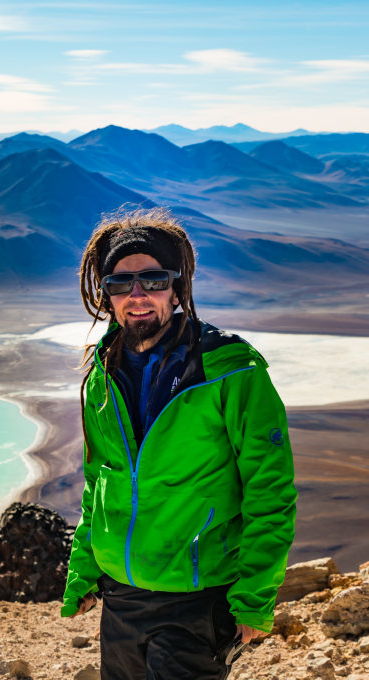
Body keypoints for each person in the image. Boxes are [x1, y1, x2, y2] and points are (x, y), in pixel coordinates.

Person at [59, 207, 297, 679]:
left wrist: (254, 597)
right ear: (106, 294)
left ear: (177, 286)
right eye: (120, 283)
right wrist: (85, 567)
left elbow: (270, 490)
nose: (138, 295)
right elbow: (99, 482)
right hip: (121, 596)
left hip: (197, 599)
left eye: (153, 280)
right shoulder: (102, 372)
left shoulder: (231, 370)